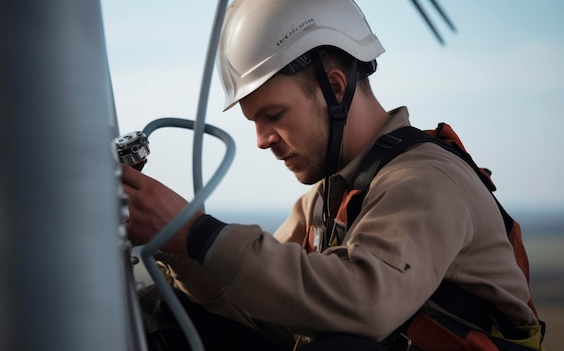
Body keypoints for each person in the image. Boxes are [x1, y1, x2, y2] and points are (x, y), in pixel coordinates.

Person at [121, 0, 544, 350]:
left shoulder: (426, 181)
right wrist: (177, 245)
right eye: (254, 121)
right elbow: (261, 312)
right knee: (165, 311)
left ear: (336, 88)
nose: (262, 140)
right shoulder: (326, 202)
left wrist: (198, 232)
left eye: (274, 115)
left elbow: (364, 303)